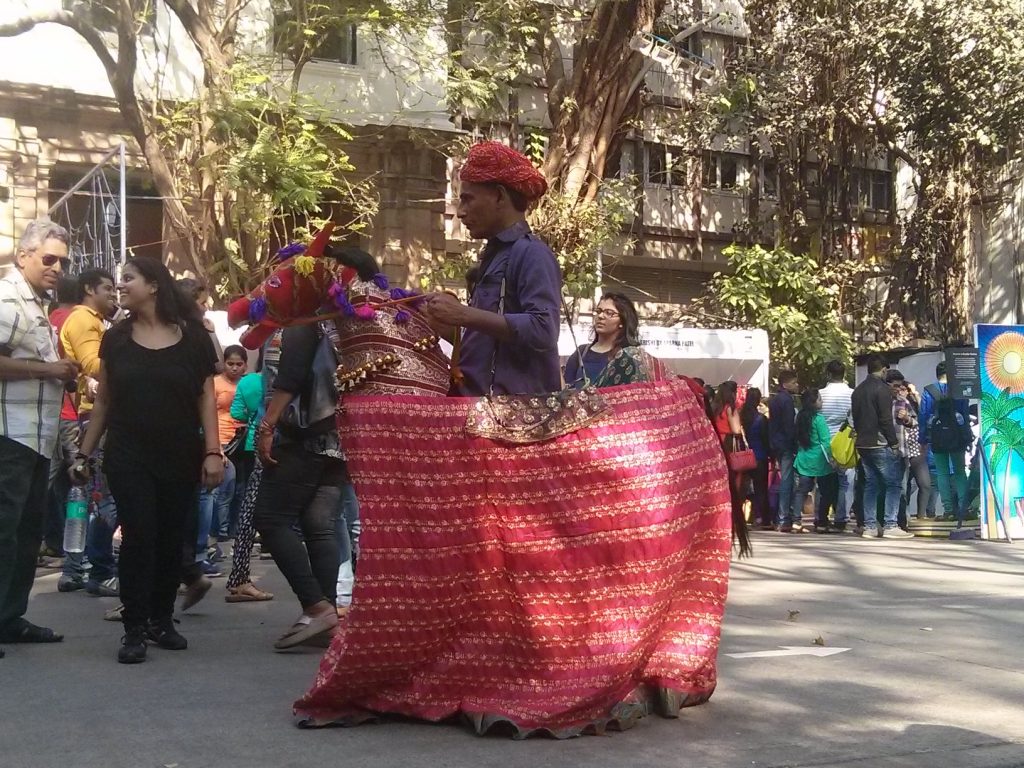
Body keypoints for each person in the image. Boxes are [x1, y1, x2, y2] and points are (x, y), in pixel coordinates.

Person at [73, 257, 223, 663]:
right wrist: (84, 453)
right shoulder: (116, 338)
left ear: (154, 285)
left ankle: (162, 619)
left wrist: (213, 451)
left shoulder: (192, 337)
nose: (120, 286)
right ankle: (134, 627)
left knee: (171, 537)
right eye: (118, 280)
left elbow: (205, 396)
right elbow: (104, 400)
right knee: (139, 536)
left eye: (128, 279)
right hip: (128, 454)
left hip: (179, 453)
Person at [424, 141, 561, 396]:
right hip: (479, 410)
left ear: (499, 196)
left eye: (467, 199)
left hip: (513, 421)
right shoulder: (494, 256)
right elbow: (489, 342)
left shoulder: (532, 253)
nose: (461, 213)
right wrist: (447, 326)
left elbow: (544, 329)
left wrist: (463, 315)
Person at [0, 218, 78, 655]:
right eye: (48, 259)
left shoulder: (35, 303)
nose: (56, 268)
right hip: (8, 438)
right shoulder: (8, 299)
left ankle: (9, 618)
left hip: (35, 439)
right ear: (23, 256)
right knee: (4, 533)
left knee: (26, 534)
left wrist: (59, 374)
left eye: (62, 262)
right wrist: (50, 370)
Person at [253, 323, 343, 648]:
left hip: (301, 438)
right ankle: (327, 615)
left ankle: (315, 605)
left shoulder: (303, 322)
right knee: (320, 527)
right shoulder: (340, 319)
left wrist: (267, 425)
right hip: (339, 437)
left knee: (270, 518)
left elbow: (290, 376)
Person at [57, 268, 120, 597]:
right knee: (103, 497)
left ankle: (75, 567)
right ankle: (101, 569)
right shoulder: (85, 320)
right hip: (91, 416)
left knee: (84, 494)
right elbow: (94, 365)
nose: (113, 294)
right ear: (88, 289)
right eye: (107, 288)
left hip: (84, 415)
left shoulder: (91, 320)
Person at [223, 332, 279, 604]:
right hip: (288, 440)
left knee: (249, 505)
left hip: (256, 443)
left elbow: (237, 414)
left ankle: (239, 577)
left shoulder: (248, 383)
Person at [43, 275, 84, 559]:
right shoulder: (79, 321)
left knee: (50, 480)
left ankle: (52, 540)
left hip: (49, 411)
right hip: (72, 412)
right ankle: (77, 552)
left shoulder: (50, 319)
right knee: (81, 478)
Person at [851, 354, 912, 539]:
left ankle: (869, 526)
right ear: (884, 370)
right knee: (893, 484)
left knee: (871, 485)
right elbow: (885, 420)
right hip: (880, 443)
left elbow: (856, 418)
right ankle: (890, 524)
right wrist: (893, 443)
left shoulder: (857, 391)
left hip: (863, 444)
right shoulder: (883, 390)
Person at [564, 293, 663, 388]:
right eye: (598, 311)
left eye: (609, 313)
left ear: (622, 321)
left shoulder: (629, 357)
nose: (601, 316)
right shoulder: (581, 352)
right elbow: (566, 389)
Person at [918, 361, 971, 521]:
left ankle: (947, 509)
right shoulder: (958, 389)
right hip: (957, 437)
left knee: (942, 473)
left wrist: (923, 439)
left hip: (937, 437)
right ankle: (963, 507)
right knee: (960, 472)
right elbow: (965, 414)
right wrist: (967, 436)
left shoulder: (928, 391)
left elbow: (923, 415)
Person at [886, 370, 932, 525]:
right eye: (898, 387)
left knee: (924, 484)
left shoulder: (909, 402)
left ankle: (919, 516)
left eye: (903, 388)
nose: (901, 391)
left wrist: (914, 395)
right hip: (898, 448)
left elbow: (917, 419)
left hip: (914, 449)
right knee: (902, 487)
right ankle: (900, 519)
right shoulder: (885, 401)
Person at [791, 389, 839, 533]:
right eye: (819, 399)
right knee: (826, 492)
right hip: (820, 460)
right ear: (813, 402)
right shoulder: (819, 419)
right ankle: (821, 522)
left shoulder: (799, 417)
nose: (822, 402)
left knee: (801, 491)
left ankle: (796, 521)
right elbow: (825, 442)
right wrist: (831, 459)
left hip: (803, 459)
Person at [711, 380, 751, 552]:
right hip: (728, 444)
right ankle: (732, 516)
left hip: (715, 444)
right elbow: (735, 430)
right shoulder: (730, 408)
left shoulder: (714, 408)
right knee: (733, 480)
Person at [819, 360, 852, 530]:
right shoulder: (852, 394)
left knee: (824, 483)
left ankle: (821, 518)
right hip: (845, 443)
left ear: (828, 374)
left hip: (824, 443)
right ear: (844, 374)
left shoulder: (820, 395)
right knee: (845, 482)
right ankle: (841, 517)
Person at [769, 370, 800, 530]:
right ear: (786, 384)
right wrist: (794, 444)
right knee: (787, 480)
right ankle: (783, 517)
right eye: (794, 382)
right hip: (786, 444)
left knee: (784, 478)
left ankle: (781, 516)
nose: (797, 385)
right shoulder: (786, 400)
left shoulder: (774, 400)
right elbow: (789, 425)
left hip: (776, 443)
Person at [739, 387, 772, 529]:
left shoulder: (741, 417)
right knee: (761, 489)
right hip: (759, 456)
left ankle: (740, 517)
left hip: (743, 456)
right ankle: (761, 518)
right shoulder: (761, 419)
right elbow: (766, 439)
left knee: (742, 488)